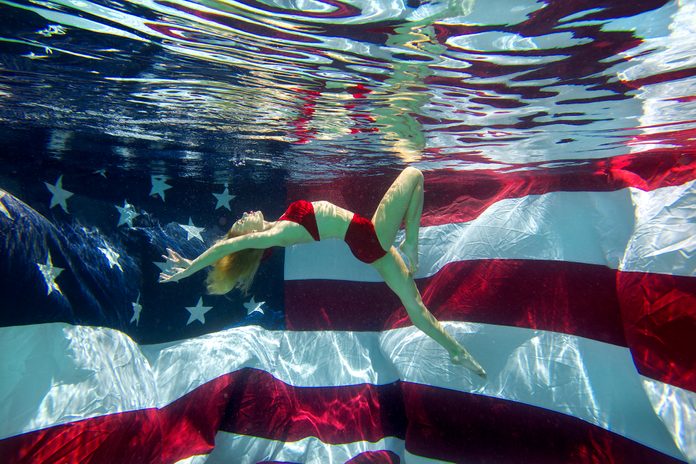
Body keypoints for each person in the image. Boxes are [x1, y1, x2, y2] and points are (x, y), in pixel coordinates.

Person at [159, 167, 486, 378]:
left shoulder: (280, 223)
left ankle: (457, 352)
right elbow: (224, 249)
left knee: (414, 305)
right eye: (240, 223)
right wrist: (189, 268)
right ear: (248, 238)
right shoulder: (276, 234)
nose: (243, 215)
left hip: (368, 246)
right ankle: (413, 244)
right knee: (414, 173)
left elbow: (232, 244)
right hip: (371, 237)